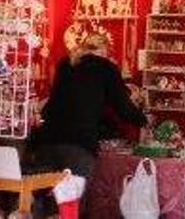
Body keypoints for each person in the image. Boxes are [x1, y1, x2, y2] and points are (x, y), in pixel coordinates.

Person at [30, 33, 147, 215]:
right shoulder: (106, 68)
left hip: (47, 141)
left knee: (43, 200)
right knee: (72, 204)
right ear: (105, 50)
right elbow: (123, 107)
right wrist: (143, 120)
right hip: (78, 145)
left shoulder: (66, 64)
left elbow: (56, 101)